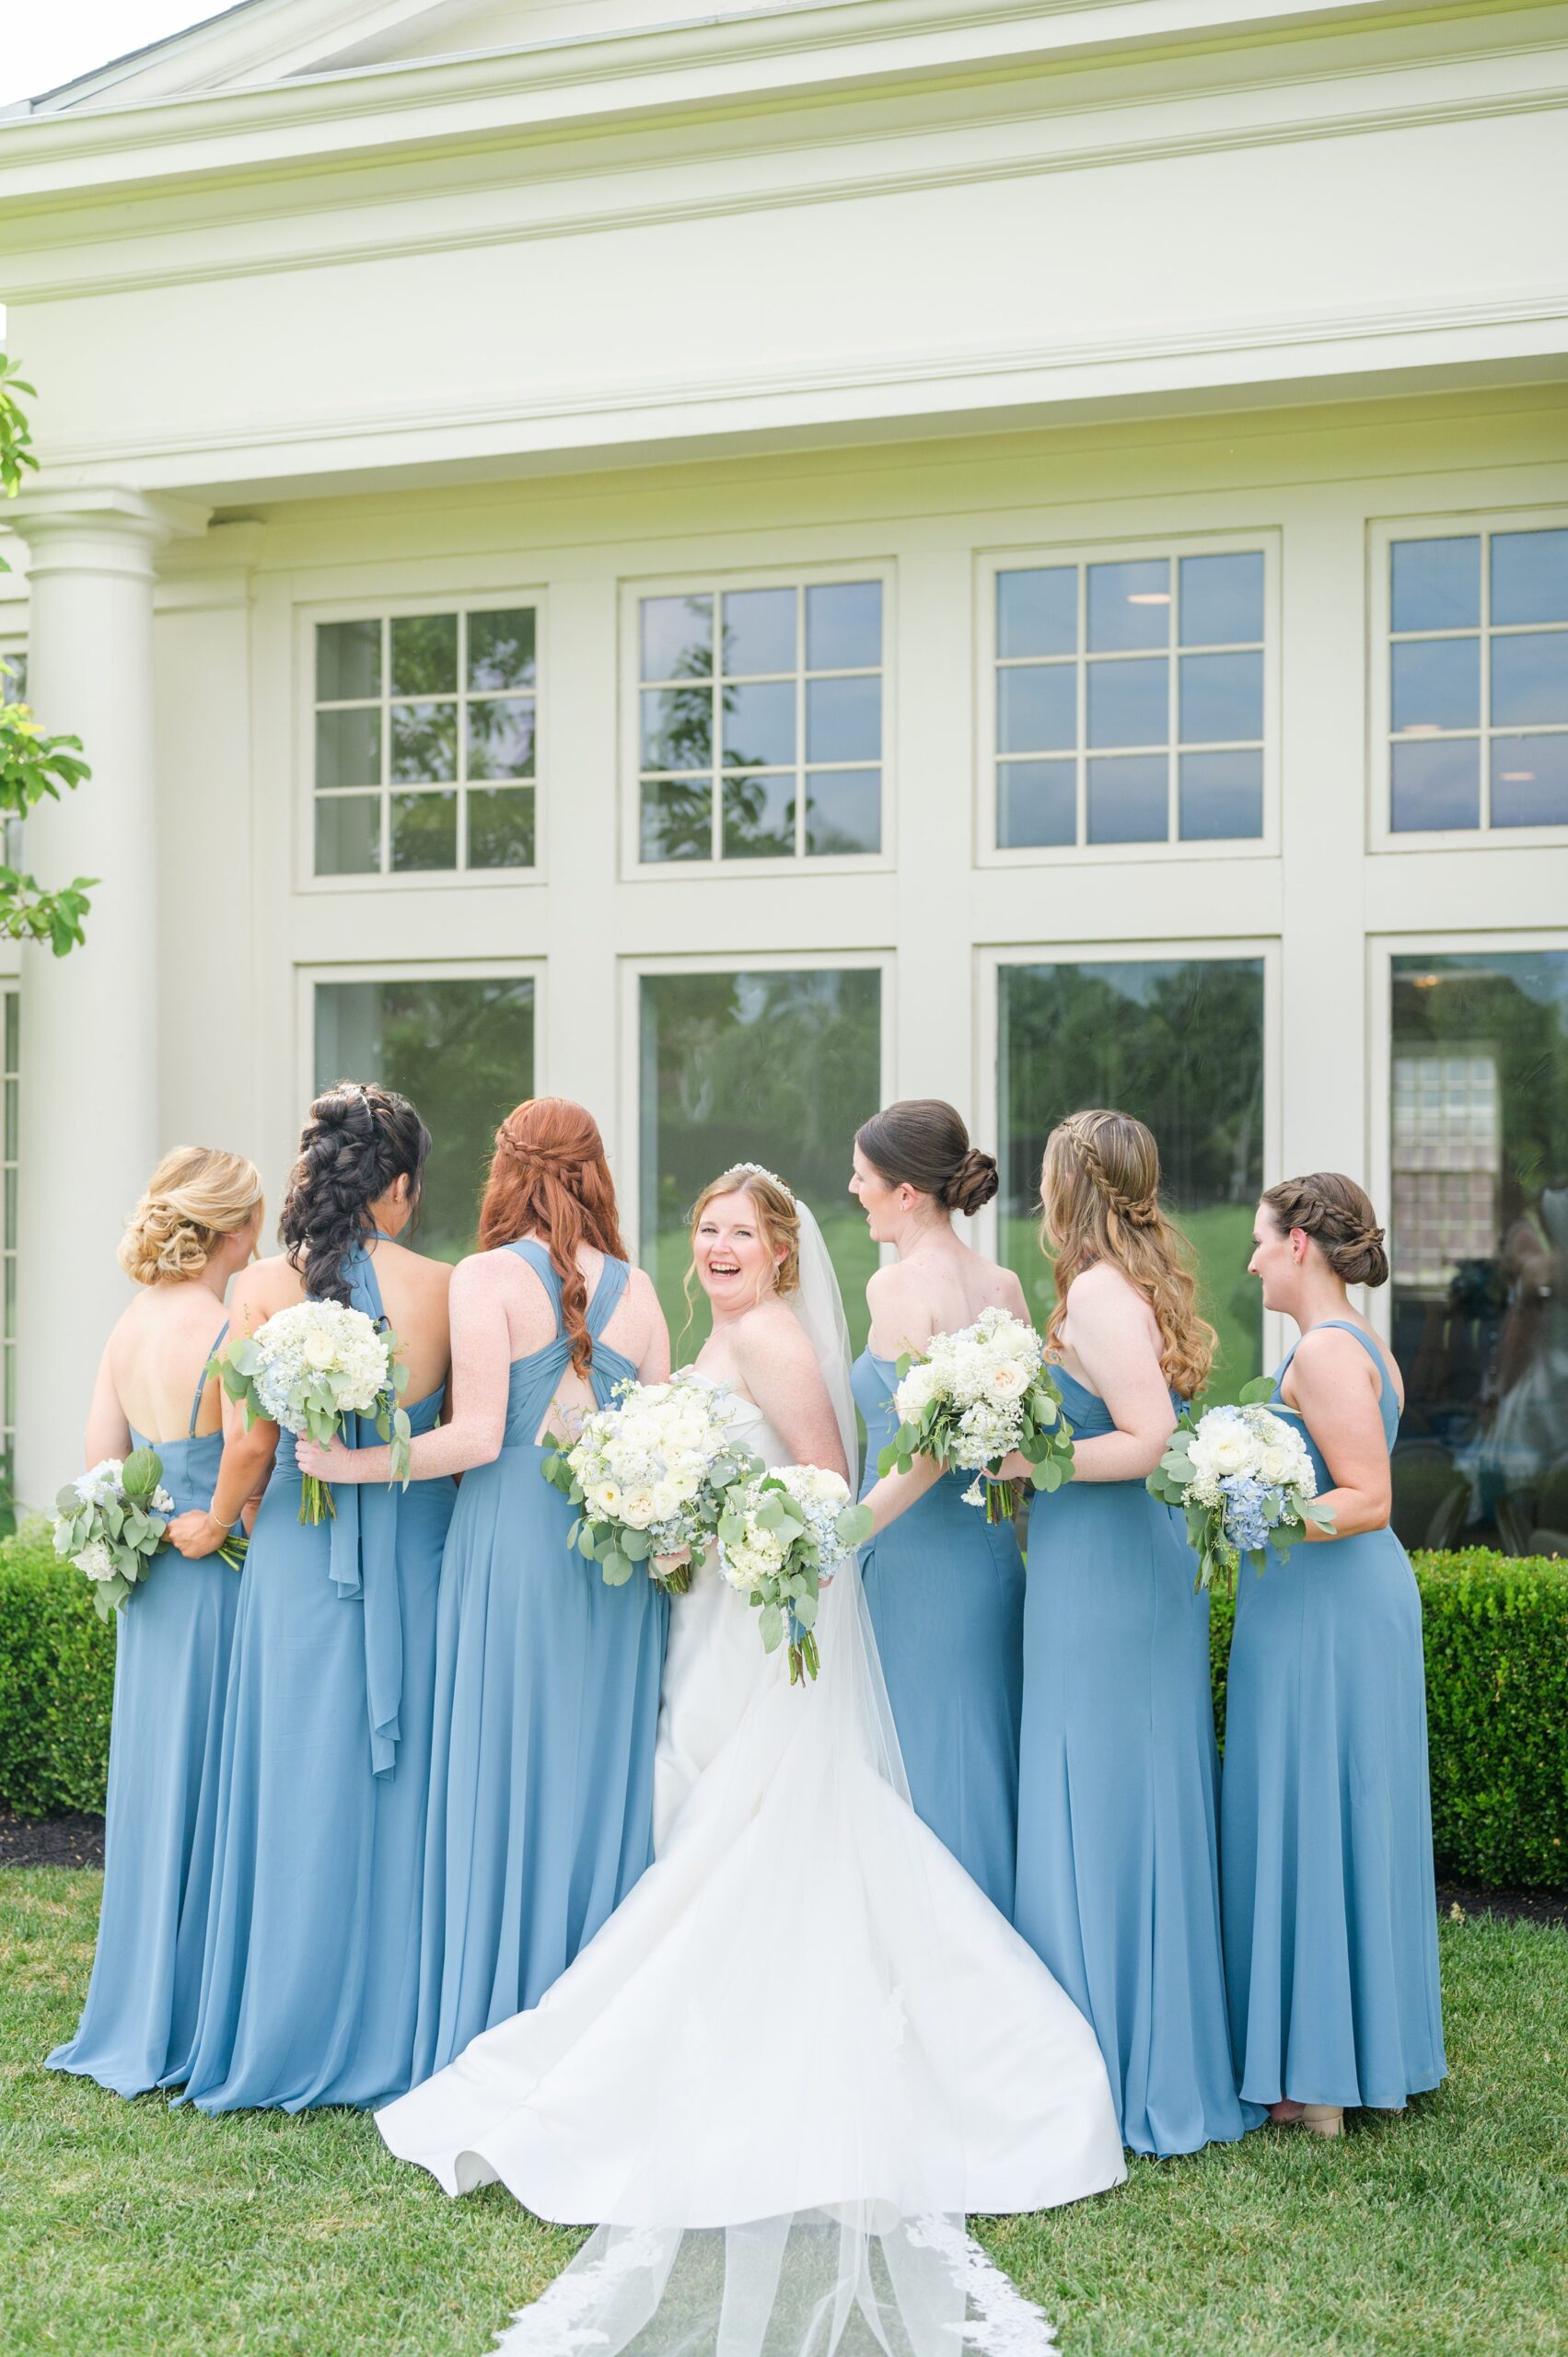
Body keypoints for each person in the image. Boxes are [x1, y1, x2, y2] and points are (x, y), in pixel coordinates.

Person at [374, 1160, 1125, 2357]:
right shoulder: (709, 1340)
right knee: (700, 1803)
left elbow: (825, 1481)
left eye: (741, 1232)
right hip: (703, 1607)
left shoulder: (774, 1339)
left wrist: (753, 1528)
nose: (718, 1247)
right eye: (706, 1229)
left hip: (765, 1610)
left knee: (753, 1817)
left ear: (781, 1252)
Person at [299, 1098, 669, 2080]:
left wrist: (346, 1466)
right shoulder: (643, 1292)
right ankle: (595, 2033)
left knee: (499, 1773)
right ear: (597, 1173)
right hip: (611, 1563)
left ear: (504, 1170)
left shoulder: (487, 1276)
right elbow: (664, 1445)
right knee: (598, 1781)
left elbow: (473, 1437)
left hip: (508, 1549)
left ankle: (494, 2030)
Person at [172, 1084, 456, 2111]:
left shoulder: (257, 1286)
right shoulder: (443, 1285)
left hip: (297, 1551)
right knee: (405, 1785)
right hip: (411, 1551)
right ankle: (404, 2017)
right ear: (401, 1188)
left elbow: (248, 1441)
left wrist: (220, 1520)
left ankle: (283, 2014)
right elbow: (459, 1438)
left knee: (293, 1773)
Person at [1006, 1109, 1259, 2157]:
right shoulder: (1109, 1284)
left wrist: (1033, 1464)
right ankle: (1111, 2043)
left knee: (1105, 1790)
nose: (1036, 1189)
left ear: (1076, 1184)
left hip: (1110, 1568)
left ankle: (1119, 2060)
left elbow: (1149, 1436)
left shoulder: (1102, 1293)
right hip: (1098, 1560)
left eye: (1048, 1173)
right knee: (1108, 1786)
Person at [1223, 1173, 1446, 2136]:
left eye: (1262, 1240)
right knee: (1339, 1810)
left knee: (1316, 1809)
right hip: (1334, 1606)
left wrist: (1244, 1506)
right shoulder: (1356, 1342)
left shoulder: (1320, 1350)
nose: (1251, 1259)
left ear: (1300, 1244)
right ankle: (1342, 2055)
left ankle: (1316, 2084)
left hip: (1327, 1610)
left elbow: (1365, 1496)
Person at [46, 1146, 262, 2096]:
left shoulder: (127, 1326)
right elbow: (244, 1477)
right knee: (219, 1776)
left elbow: (102, 1460)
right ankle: (202, 2004)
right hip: (213, 1571)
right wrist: (220, 1521)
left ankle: (141, 2002)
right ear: (233, 1230)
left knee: (157, 1781)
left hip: (149, 1585)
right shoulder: (227, 1327)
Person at [848, 1101, 1028, 1912]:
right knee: (980, 1752)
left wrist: (839, 1536)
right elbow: (1014, 1455)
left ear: (908, 1193)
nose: (853, 1189)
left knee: (916, 1757)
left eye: (863, 1176)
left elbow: (923, 1457)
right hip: (988, 1554)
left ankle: (940, 1947)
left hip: (912, 1559)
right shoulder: (1003, 1285)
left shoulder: (895, 1287)